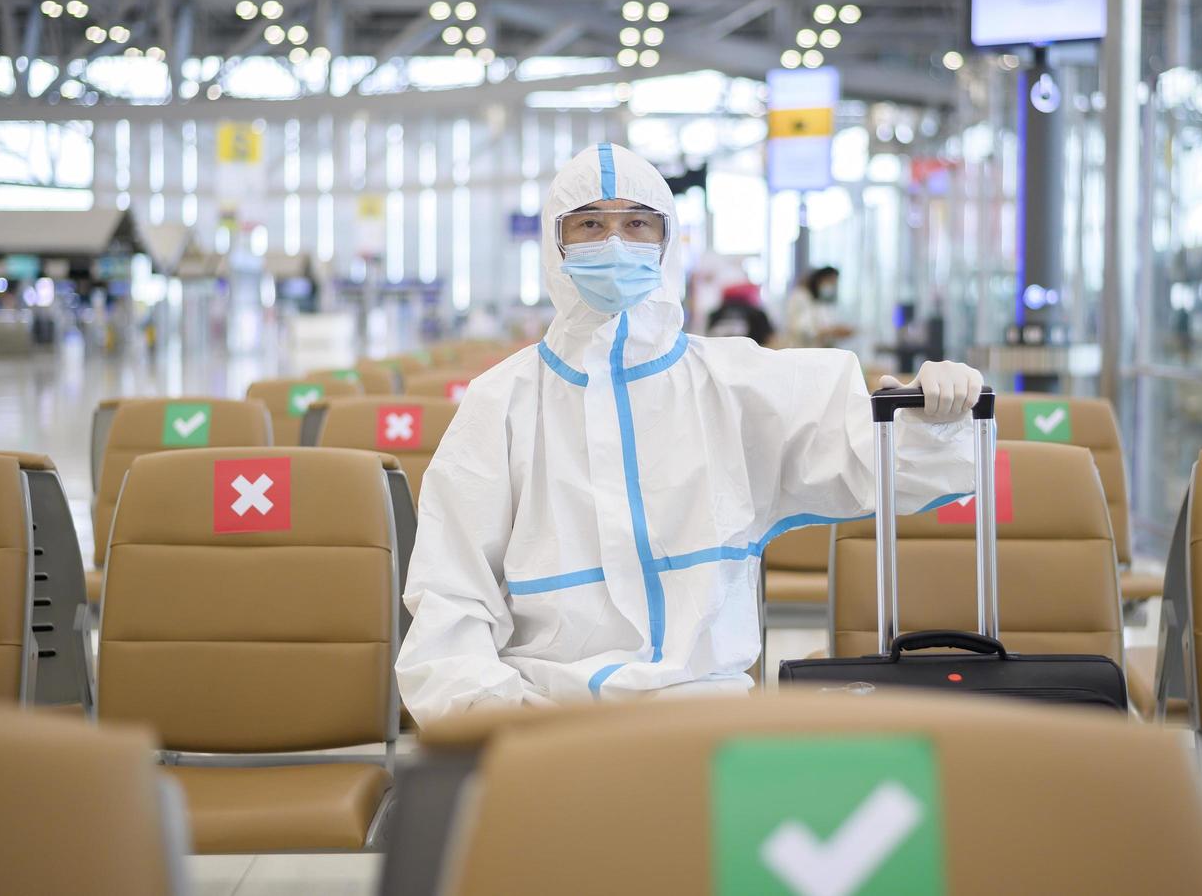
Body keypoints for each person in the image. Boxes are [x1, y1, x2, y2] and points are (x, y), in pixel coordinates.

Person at [395, 143, 983, 725]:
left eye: (638, 224)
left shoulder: (736, 383)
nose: (616, 243)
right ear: (556, 244)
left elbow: (881, 464)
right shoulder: (502, 402)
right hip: (543, 717)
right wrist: (491, 720)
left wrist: (936, 419)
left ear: (667, 240)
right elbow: (452, 597)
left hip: (704, 717)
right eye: (591, 224)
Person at [785, 266, 856, 347]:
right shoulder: (800, 296)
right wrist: (830, 331)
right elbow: (800, 329)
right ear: (819, 280)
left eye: (834, 282)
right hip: (802, 349)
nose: (833, 285)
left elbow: (826, 325)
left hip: (820, 350)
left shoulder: (821, 301)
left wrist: (836, 331)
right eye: (830, 281)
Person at [706, 282, 775, 347]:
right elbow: (769, 339)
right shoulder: (758, 315)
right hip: (749, 357)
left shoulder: (714, 314)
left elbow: (707, 338)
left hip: (717, 357)